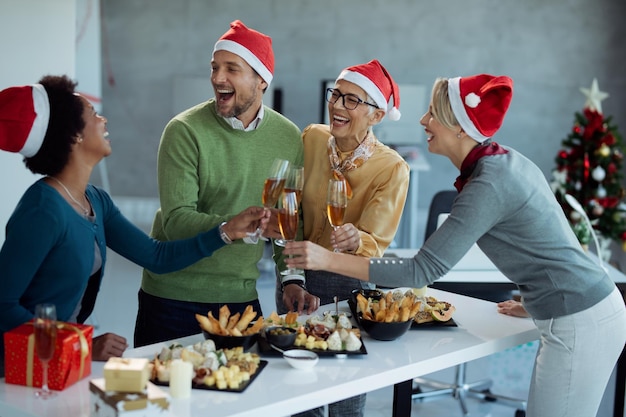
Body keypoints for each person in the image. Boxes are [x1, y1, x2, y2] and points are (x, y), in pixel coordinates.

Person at [284, 73, 626, 417]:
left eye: (432, 113)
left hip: (580, 318)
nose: (422, 120)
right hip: (575, 309)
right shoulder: (504, 161)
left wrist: (326, 259)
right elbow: (551, 241)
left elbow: (421, 270)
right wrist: (535, 299)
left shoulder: (488, 183)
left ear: (459, 127)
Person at [0, 75, 270, 376]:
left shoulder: (94, 200)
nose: (103, 120)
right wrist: (80, 344)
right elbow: (3, 304)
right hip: (19, 369)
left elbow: (156, 256)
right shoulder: (42, 210)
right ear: (74, 134)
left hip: (57, 363)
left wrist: (226, 231)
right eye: (92, 114)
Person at [134, 20, 313, 347]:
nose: (218, 78)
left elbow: (288, 222)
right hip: (172, 298)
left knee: (248, 394)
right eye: (215, 68)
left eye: (232, 69)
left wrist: (291, 280)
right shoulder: (184, 130)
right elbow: (175, 222)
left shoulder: (288, 137)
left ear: (261, 80)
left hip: (239, 296)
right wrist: (232, 226)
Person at [278, 60, 410, 417]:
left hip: (348, 287)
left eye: (351, 100)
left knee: (345, 400)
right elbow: (292, 216)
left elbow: (375, 243)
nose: (336, 105)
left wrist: (357, 239)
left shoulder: (392, 168)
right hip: (297, 281)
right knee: (297, 395)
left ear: (377, 115)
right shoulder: (311, 138)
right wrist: (291, 278)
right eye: (335, 94)